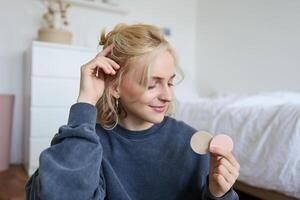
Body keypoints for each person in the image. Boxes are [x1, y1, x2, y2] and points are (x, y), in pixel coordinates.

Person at [25, 23, 240, 200]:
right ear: (115, 86)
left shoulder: (190, 142)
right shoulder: (89, 144)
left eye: (170, 83)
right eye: (152, 84)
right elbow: (59, 194)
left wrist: (219, 194)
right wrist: (86, 102)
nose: (167, 95)